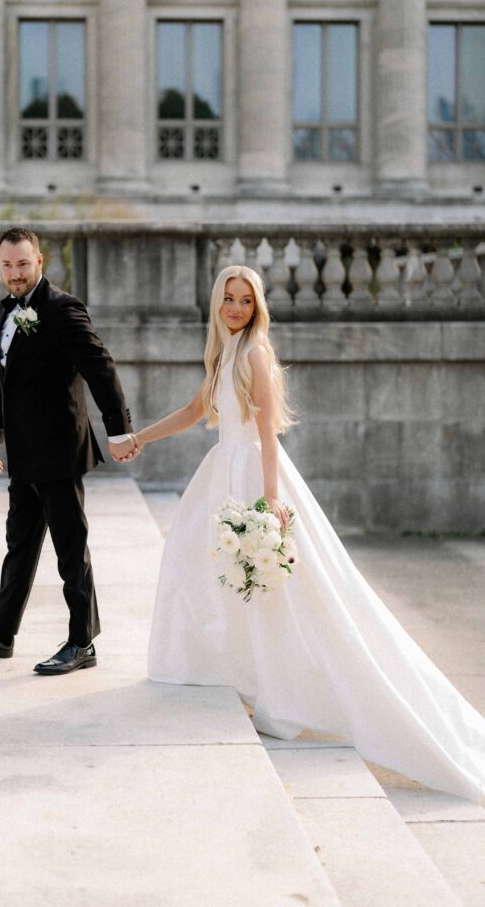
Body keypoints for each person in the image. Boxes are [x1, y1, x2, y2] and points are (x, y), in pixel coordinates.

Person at [131, 264, 485, 803]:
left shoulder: (255, 354)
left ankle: (285, 696)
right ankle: (229, 672)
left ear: (257, 307)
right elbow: (194, 410)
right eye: (227, 298)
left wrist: (271, 499)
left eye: (244, 301)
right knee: (195, 562)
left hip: (253, 473)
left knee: (284, 592)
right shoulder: (223, 352)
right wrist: (140, 437)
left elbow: (268, 431)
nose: (234, 308)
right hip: (221, 471)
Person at [0, 227, 137, 675]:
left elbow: (101, 368)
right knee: (19, 543)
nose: (14, 274)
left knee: (71, 549)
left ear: (40, 261)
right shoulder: (2, 310)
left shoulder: (62, 308)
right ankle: (1, 629)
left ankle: (82, 642)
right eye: (7, 265)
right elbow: (0, 377)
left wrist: (119, 429)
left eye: (23, 264)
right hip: (23, 453)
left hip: (60, 450)